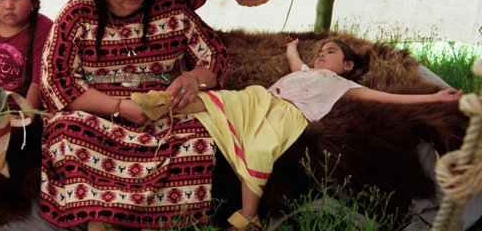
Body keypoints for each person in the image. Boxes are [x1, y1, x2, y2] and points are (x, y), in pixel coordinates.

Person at [132, 36, 463, 231]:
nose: (321, 54)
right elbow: (293, 60)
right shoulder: (306, 71)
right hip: (261, 98)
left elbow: (387, 98)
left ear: (347, 66)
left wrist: (435, 96)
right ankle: (160, 106)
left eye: (330, 52)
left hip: (288, 116)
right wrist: (292, 46)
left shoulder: (344, 86)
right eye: (319, 51)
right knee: (220, 100)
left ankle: (249, 217)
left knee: (259, 148)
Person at [39, 0, 230, 230]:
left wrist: (194, 79)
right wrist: (119, 107)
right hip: (99, 120)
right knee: (66, 131)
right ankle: (101, 220)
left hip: (161, 120)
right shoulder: (76, 14)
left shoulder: (171, 11)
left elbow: (216, 55)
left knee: (199, 135)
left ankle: (155, 221)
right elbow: (56, 81)